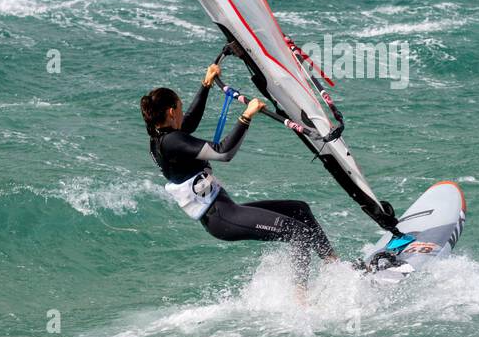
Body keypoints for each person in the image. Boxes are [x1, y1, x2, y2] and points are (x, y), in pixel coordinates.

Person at [142, 63, 345, 280]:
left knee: (299, 210)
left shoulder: (161, 139)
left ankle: (336, 267)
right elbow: (223, 153)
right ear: (171, 112)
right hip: (220, 217)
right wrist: (246, 116)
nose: (182, 113)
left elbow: (189, 121)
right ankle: (301, 299)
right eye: (180, 108)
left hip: (225, 210)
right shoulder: (171, 141)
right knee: (298, 232)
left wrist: (206, 84)